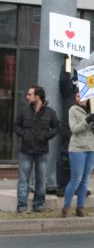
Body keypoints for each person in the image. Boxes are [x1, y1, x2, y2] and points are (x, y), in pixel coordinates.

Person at [14, 85, 59, 213]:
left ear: (37, 96)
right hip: (26, 151)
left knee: (40, 180)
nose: (27, 97)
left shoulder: (50, 112)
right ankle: (21, 206)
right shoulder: (24, 111)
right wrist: (23, 134)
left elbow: (56, 127)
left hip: (41, 152)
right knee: (23, 180)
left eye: (30, 94)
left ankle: (38, 205)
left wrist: (46, 136)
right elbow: (16, 126)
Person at [62, 92, 94, 217]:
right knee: (76, 179)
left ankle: (80, 208)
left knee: (85, 181)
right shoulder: (73, 110)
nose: (81, 99)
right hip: (78, 148)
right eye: (78, 96)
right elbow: (74, 129)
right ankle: (66, 207)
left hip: (91, 148)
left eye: (83, 96)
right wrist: (87, 120)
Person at [56, 62, 79, 197]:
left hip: (81, 134)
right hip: (68, 131)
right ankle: (63, 186)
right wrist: (68, 58)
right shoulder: (68, 90)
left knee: (79, 162)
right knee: (65, 160)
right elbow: (64, 78)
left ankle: (76, 186)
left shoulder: (85, 94)